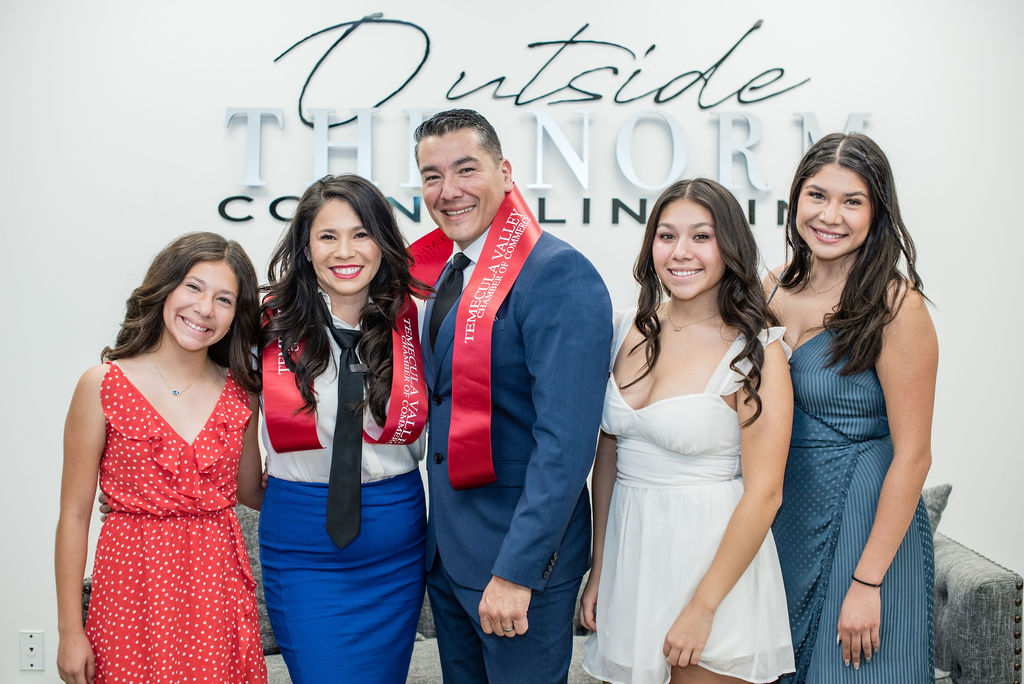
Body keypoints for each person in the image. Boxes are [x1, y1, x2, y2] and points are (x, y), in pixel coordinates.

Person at [410, 108, 612, 682]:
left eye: (465, 169)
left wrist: (518, 570)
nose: (448, 191)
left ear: (505, 172)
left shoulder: (558, 273)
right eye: (431, 176)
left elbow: (566, 444)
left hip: (516, 568)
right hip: (450, 558)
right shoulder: (443, 274)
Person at [580, 178, 796, 683]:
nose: (681, 252)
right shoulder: (625, 329)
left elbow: (765, 493)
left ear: (731, 246)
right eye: (666, 235)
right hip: (633, 565)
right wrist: (600, 567)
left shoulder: (756, 350)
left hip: (713, 569)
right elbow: (608, 458)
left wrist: (703, 606)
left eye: (702, 236)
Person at [55, 232, 266, 684]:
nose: (205, 309)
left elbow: (253, 491)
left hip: (217, 595)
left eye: (224, 299)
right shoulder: (101, 384)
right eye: (193, 287)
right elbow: (74, 515)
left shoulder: (242, 393)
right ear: (165, 288)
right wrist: (70, 631)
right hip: (130, 593)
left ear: (236, 315)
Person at [767, 133, 937, 682]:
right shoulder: (769, 288)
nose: (830, 216)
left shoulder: (896, 306)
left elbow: (914, 456)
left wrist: (867, 582)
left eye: (852, 201)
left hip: (864, 525)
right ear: (796, 198)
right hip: (784, 515)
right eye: (817, 195)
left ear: (877, 212)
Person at [257, 174, 429, 683]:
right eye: (328, 236)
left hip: (395, 542)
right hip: (301, 543)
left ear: (383, 242)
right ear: (305, 247)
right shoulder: (265, 326)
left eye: (361, 234)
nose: (344, 251)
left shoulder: (419, 321)